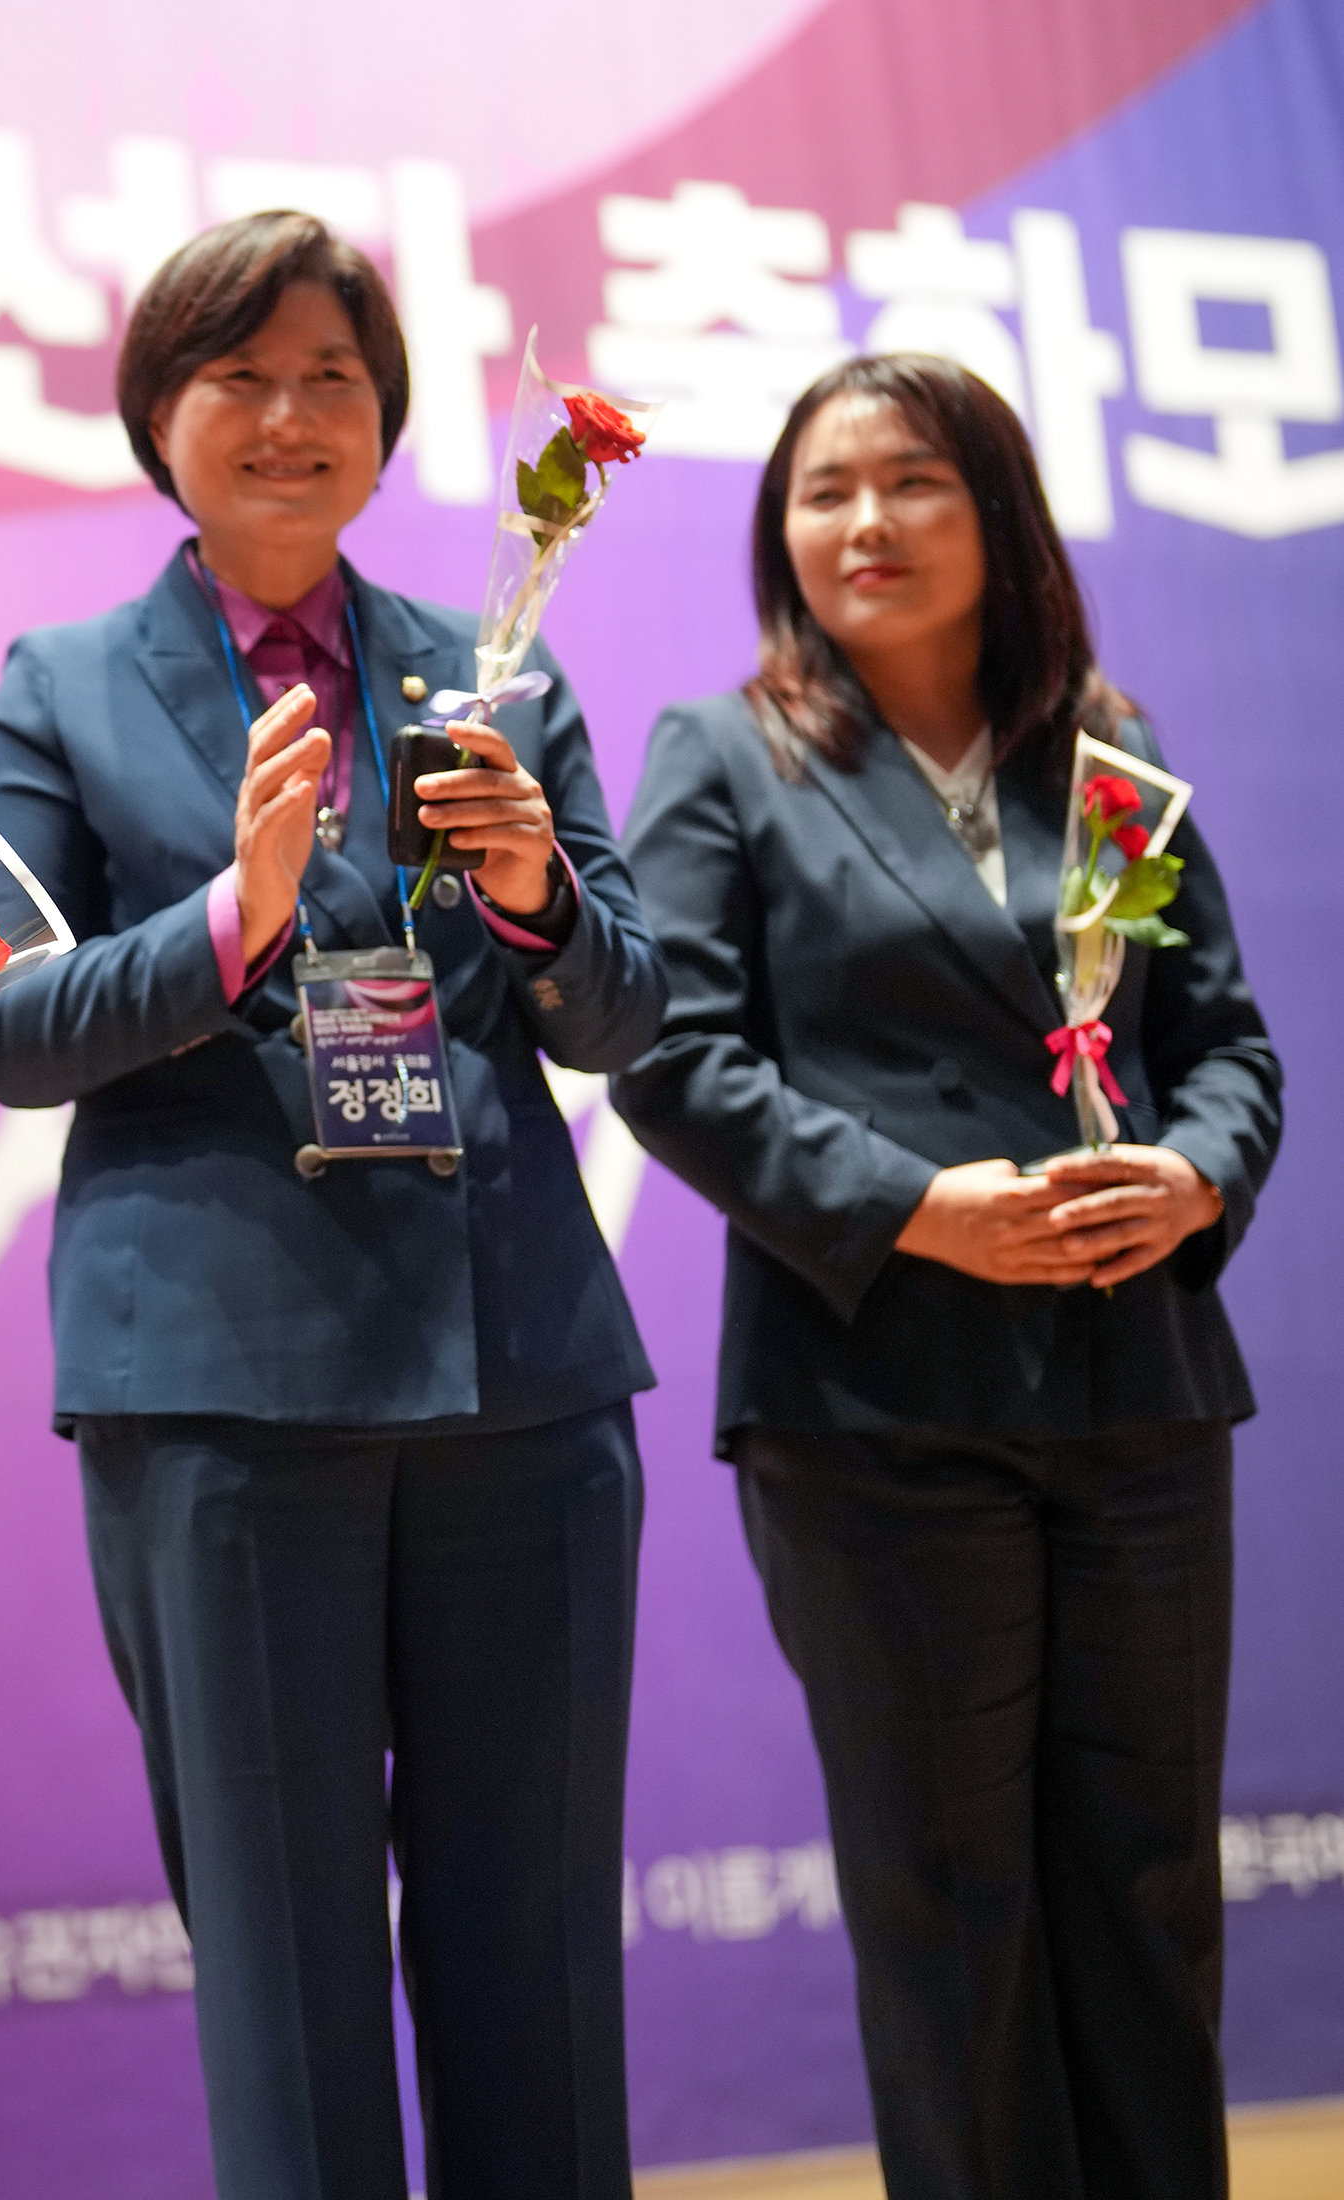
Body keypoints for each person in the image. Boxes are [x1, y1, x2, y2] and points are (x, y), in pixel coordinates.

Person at [0, 211, 665, 2200]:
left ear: (387, 418)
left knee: (535, 1966)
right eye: (238, 377)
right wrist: (225, 921)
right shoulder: (67, 688)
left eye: (331, 377)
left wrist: (535, 892)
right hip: (231, 1404)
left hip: (520, 1387)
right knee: (289, 1981)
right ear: (157, 414)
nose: (287, 416)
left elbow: (630, 1007)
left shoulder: (488, 672)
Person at [611, 354, 1277, 2200]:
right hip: (878, 1406)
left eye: (912, 483)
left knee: (1148, 1890)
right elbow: (675, 1057)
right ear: (783, 538)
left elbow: (1230, 1051)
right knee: (949, 1909)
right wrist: (920, 1202)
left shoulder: (1110, 744)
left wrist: (1194, 1171)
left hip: (1135, 1392)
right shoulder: (723, 756)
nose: (866, 524)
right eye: (824, 493)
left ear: (998, 515)